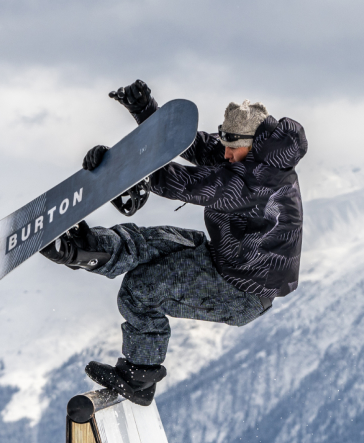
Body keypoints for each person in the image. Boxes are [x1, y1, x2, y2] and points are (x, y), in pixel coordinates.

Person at [41, 80, 307, 405]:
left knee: (142, 289)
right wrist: (145, 110)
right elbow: (189, 145)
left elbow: (184, 183)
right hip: (223, 260)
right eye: (224, 144)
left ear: (252, 145)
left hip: (243, 292)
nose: (225, 154)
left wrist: (118, 169)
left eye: (231, 148)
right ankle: (84, 247)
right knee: (150, 242)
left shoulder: (257, 181)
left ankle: (140, 376)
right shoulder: (242, 155)